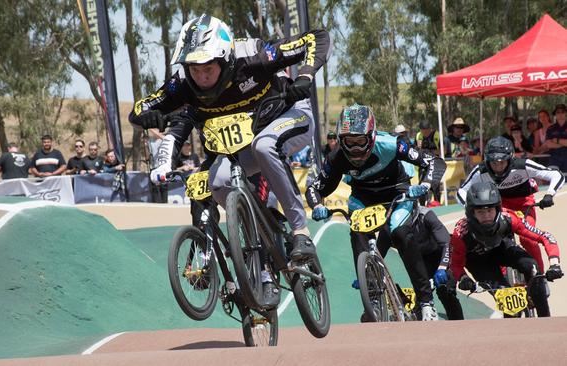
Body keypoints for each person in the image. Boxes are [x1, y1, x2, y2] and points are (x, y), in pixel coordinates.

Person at [129, 14, 329, 274]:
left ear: (224, 58)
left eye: (208, 68)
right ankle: (254, 243)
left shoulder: (254, 56)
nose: (201, 77)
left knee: (264, 145)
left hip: (289, 116)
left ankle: (301, 231)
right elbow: (137, 111)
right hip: (243, 146)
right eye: (194, 69)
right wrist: (150, 116)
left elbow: (317, 37)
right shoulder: (182, 84)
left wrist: (305, 75)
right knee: (217, 179)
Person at [306, 104, 447, 321]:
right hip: (363, 198)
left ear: (371, 136)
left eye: (359, 141)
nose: (354, 148)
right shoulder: (337, 157)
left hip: (396, 194)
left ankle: (426, 301)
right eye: (348, 141)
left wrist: (425, 186)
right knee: (358, 234)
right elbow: (315, 187)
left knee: (400, 233)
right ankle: (372, 295)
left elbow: (433, 162)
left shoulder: (392, 143)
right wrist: (317, 206)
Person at [438, 182, 562, 319]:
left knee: (533, 268)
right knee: (507, 297)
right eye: (480, 212)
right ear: (471, 213)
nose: (486, 216)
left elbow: (545, 237)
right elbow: (455, 264)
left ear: (498, 209)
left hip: (502, 248)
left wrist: (554, 264)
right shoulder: (460, 233)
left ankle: (545, 318)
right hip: (478, 262)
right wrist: (464, 278)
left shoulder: (509, 218)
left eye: (490, 210)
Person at [458, 136, 564, 273]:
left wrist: (550, 194)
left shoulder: (523, 165)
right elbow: (462, 190)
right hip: (499, 207)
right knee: (493, 239)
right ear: (487, 160)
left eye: (502, 162)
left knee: (528, 239)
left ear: (511, 158)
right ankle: (503, 283)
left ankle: (539, 276)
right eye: (493, 162)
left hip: (524, 205)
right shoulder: (480, 171)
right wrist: (469, 205)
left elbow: (556, 175)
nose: (498, 167)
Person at [415, 120, 442, 205]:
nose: (425, 133)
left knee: (435, 186)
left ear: (430, 129)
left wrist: (429, 152)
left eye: (427, 131)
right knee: (422, 186)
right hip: (423, 165)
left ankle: (438, 204)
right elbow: (417, 150)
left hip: (435, 164)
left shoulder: (436, 135)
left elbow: (442, 151)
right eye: (423, 131)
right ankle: (422, 206)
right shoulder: (419, 136)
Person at [542, 103, 567, 172]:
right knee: (554, 180)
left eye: (562, 112)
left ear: (566, 113)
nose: (560, 114)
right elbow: (548, 144)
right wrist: (563, 143)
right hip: (554, 159)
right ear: (555, 114)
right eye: (558, 112)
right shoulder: (550, 128)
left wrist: (557, 140)